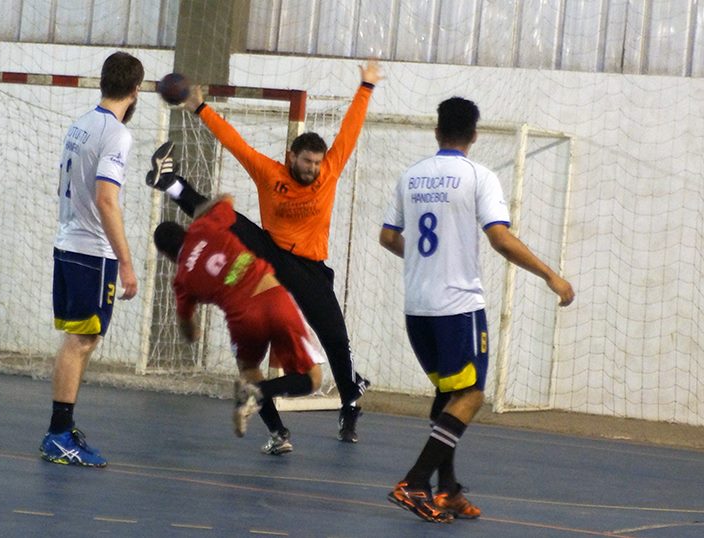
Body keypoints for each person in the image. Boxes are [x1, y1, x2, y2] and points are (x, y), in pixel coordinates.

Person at [150, 60, 382, 442]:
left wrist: (366, 86)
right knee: (227, 219)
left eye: (317, 163)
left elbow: (351, 129)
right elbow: (234, 141)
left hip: (309, 270)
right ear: (291, 157)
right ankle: (172, 184)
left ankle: (348, 407)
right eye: (306, 162)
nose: (313, 169)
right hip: (272, 252)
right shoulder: (269, 172)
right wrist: (198, 107)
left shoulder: (329, 171)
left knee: (337, 341)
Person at [379, 96, 575, 523]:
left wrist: (424, 262)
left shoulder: (409, 177)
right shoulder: (477, 176)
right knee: (471, 395)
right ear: (474, 135)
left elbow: (389, 238)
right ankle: (415, 482)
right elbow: (500, 239)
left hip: (417, 307)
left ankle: (445, 490)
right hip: (458, 306)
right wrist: (550, 276)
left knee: (449, 393)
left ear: (436, 132)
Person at [153, 194, 326, 455]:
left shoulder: (181, 280)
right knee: (312, 380)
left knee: (248, 369)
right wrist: (201, 209)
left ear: (166, 255)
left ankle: (278, 434)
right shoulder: (203, 227)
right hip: (271, 297)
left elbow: (189, 331)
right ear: (185, 229)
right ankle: (258, 392)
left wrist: (194, 330)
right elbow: (227, 201)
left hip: (242, 319)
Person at [40, 51, 144, 467]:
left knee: (82, 339)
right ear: (136, 91)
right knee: (81, 340)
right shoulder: (116, 134)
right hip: (90, 251)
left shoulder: (81, 124)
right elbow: (106, 198)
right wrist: (127, 262)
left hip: (69, 244)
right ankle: (58, 434)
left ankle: (63, 426)